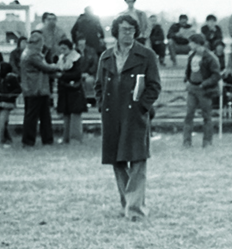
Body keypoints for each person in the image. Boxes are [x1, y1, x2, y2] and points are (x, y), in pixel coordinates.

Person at [94, 15, 161, 221]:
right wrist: (101, 105)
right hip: (112, 115)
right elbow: (98, 86)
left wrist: (142, 106)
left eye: (132, 29)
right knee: (118, 161)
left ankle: (135, 209)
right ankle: (128, 204)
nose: (128, 33)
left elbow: (154, 86)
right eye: (124, 29)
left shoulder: (147, 55)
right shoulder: (105, 57)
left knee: (138, 160)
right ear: (116, 31)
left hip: (135, 115)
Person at [20, 31, 60, 147]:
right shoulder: (33, 55)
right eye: (41, 42)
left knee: (43, 116)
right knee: (34, 117)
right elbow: (45, 67)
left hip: (36, 89)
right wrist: (57, 66)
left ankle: (46, 139)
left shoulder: (28, 53)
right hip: (36, 89)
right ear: (37, 43)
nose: (42, 45)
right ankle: (29, 140)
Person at [183, 34, 221, 148]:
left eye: (191, 43)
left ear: (197, 43)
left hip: (204, 90)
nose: (189, 45)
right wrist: (187, 80)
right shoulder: (192, 55)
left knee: (206, 116)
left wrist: (204, 84)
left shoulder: (210, 57)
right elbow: (188, 70)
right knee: (189, 114)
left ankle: (207, 141)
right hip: (192, 88)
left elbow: (216, 75)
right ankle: (186, 141)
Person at [55, 39, 88, 144]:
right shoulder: (61, 59)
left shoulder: (76, 58)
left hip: (74, 90)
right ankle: (66, 137)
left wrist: (62, 76)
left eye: (64, 48)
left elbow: (78, 74)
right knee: (66, 115)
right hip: (64, 90)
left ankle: (75, 138)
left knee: (75, 115)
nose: (62, 50)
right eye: (61, 48)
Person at [0, 62, 21, 148]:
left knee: (2, 122)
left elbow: (18, 90)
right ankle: (7, 138)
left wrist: (6, 95)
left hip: (7, 103)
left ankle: (0, 140)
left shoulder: (12, 79)